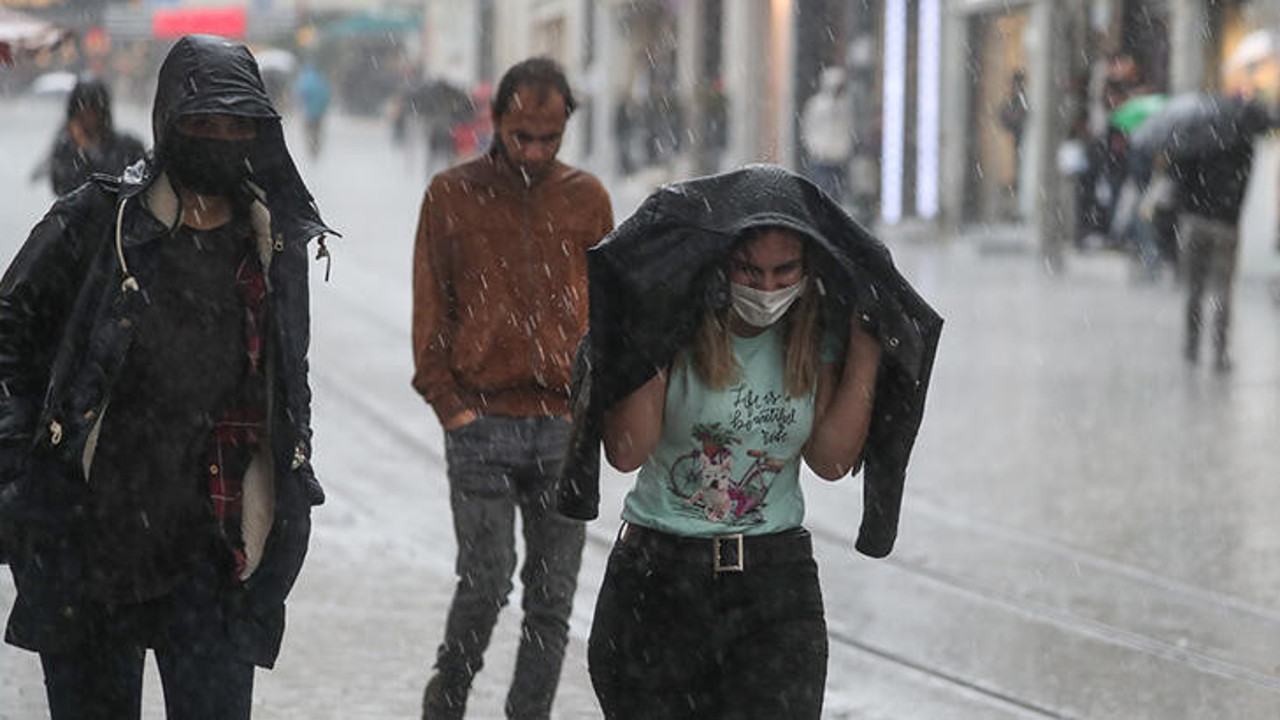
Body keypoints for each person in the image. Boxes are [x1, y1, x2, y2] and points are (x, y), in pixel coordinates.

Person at [0, 34, 333, 719]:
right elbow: (9, 336)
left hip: (213, 552)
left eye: (236, 123)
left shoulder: (273, 243)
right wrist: (19, 476)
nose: (219, 138)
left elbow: (284, 380)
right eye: (202, 122)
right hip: (93, 547)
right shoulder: (100, 220)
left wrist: (291, 487)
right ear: (166, 123)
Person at [553, 165, 943, 720]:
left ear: (808, 268)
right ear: (719, 265)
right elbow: (626, 450)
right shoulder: (678, 327)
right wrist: (656, 328)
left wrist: (867, 344)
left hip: (774, 586)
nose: (766, 288)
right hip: (656, 582)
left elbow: (831, 462)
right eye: (749, 270)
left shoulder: (817, 334)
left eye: (785, 272)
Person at [411, 56, 614, 720]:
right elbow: (430, 308)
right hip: (482, 423)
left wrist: (592, 405)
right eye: (521, 134)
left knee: (552, 602)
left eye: (547, 138)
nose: (532, 151)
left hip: (563, 425)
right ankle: (449, 693)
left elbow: (609, 313)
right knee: (487, 581)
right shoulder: (451, 195)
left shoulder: (588, 201)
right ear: (495, 120)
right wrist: (451, 405)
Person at [1168, 98, 1272, 371]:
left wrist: (1188, 206)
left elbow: (1181, 176)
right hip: (1225, 225)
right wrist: (1232, 215)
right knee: (1223, 291)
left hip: (1195, 222)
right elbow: (1243, 187)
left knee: (1194, 287)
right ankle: (1219, 351)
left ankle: (1191, 345)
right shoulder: (1242, 144)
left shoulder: (1197, 140)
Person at [36, 74, 145, 196]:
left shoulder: (128, 147)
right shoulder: (65, 148)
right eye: (81, 114)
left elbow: (115, 186)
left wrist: (89, 150)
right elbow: (63, 189)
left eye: (92, 111)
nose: (87, 120)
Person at [800, 65, 854, 203]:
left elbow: (847, 129)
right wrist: (815, 147)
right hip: (821, 157)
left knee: (836, 195)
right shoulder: (817, 105)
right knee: (820, 193)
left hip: (838, 157)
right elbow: (809, 127)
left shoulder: (846, 106)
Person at [293, 61, 331, 159]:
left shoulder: (303, 80)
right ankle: (316, 149)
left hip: (308, 112)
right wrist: (323, 109)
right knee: (317, 131)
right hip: (319, 113)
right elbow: (326, 96)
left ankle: (310, 149)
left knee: (308, 131)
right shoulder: (320, 80)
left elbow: (298, 95)